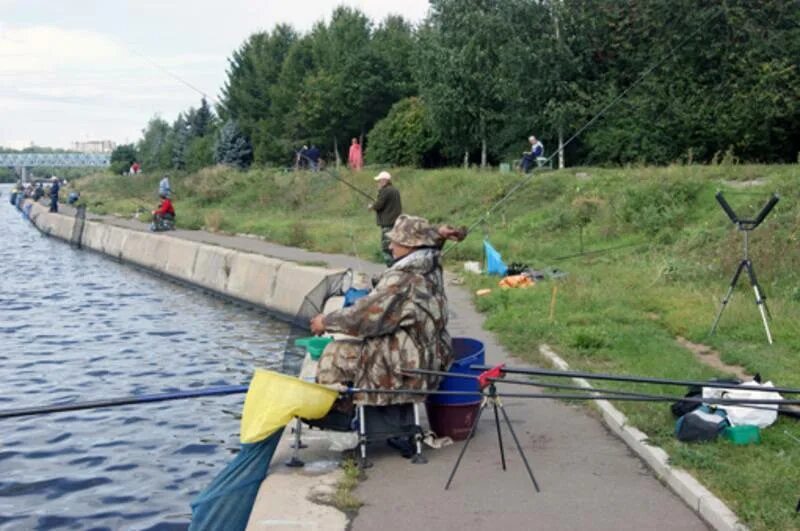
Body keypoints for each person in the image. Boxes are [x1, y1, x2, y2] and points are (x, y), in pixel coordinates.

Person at [309, 214, 468, 408]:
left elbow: (363, 318)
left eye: (395, 242)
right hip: (432, 358)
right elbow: (425, 242)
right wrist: (438, 234)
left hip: (409, 369)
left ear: (410, 245)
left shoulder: (403, 279)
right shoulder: (430, 264)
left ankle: (342, 415)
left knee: (333, 354)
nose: (390, 246)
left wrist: (325, 322)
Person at [368, 171, 402, 266]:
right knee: (394, 247)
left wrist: (371, 206)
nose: (377, 183)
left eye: (379, 181)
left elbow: (379, 205)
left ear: (384, 181)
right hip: (396, 223)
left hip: (388, 224)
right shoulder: (395, 190)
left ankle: (392, 269)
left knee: (386, 249)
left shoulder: (385, 191)